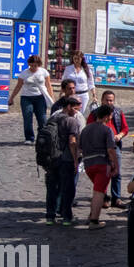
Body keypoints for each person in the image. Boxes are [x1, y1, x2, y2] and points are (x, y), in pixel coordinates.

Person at [43, 96, 83, 227]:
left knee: (52, 189)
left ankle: (50, 216)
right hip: (65, 159)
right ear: (69, 107)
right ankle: (67, 218)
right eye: (75, 108)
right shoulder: (71, 121)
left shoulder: (53, 118)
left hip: (50, 159)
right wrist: (76, 160)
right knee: (67, 189)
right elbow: (72, 142)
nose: (77, 111)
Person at [79, 104, 119, 230]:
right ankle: (94, 221)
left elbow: (80, 148)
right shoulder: (107, 130)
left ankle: (92, 215)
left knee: (97, 190)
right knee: (99, 192)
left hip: (88, 164)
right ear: (107, 116)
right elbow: (111, 150)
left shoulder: (86, 129)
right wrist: (116, 166)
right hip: (102, 164)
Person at [9, 54, 53, 143]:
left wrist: (51, 98)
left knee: (42, 118)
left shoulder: (44, 72)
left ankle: (42, 137)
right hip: (26, 97)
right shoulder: (24, 73)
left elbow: (49, 86)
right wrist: (12, 98)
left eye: (35, 66)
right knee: (27, 118)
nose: (33, 67)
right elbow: (18, 86)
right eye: (31, 65)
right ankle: (29, 138)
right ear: (29, 64)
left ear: (39, 65)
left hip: (40, 97)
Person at [99, 91, 130, 207]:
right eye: (107, 100)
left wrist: (120, 135)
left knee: (117, 172)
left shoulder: (118, 112)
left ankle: (116, 197)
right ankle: (104, 197)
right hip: (100, 147)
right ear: (102, 100)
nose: (109, 102)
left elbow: (125, 128)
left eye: (111, 100)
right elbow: (91, 127)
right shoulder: (96, 113)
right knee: (103, 173)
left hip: (115, 145)